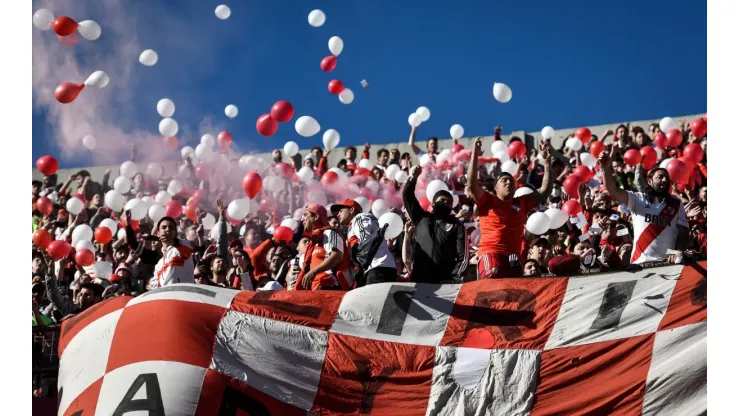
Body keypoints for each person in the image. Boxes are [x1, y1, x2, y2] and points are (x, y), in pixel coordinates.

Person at [467, 136, 554, 278]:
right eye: (504, 181)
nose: (509, 183)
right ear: (495, 187)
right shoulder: (487, 200)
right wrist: (474, 155)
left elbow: (545, 190)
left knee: (515, 293)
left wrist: (547, 161)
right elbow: (471, 185)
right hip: (491, 253)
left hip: (514, 258)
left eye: (511, 181)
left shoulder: (522, 202)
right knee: (491, 278)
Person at [599, 146, 689, 264]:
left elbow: (683, 233)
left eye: (667, 178)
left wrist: (675, 252)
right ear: (650, 182)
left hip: (667, 264)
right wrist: (606, 170)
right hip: (640, 264)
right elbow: (613, 190)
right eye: (660, 177)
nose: (664, 180)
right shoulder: (638, 199)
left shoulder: (676, 203)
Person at [402, 165, 468, 283]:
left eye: (449, 202)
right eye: (442, 200)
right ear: (433, 204)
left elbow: (463, 257)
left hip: (445, 283)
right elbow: (407, 195)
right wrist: (413, 178)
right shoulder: (421, 218)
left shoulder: (457, 226)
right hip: (419, 281)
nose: (446, 203)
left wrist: (453, 278)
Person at [331, 199, 397, 285]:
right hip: (376, 268)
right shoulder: (352, 227)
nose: (338, 215)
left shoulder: (360, 218)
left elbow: (365, 241)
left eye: (341, 211)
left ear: (352, 210)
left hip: (378, 268)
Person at [295, 204, 352, 290]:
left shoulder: (329, 232)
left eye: (305, 215)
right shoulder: (313, 242)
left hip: (330, 286)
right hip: (318, 289)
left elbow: (337, 256)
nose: (302, 219)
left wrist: (313, 272)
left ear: (316, 216)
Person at [151, 216, 195, 288]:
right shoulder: (159, 264)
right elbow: (155, 287)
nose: (168, 229)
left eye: (171, 227)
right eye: (164, 227)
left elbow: (191, 248)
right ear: (158, 233)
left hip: (184, 295)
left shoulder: (183, 245)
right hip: (166, 297)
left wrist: (172, 240)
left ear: (175, 234)